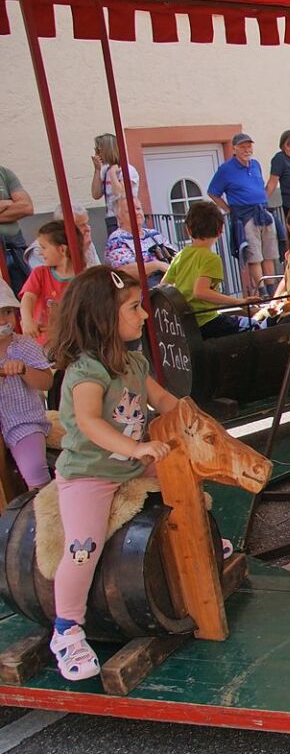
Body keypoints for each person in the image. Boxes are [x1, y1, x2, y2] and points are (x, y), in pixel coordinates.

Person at [47, 266, 179, 680]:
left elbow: (164, 399)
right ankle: (66, 628)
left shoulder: (134, 362)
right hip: (90, 473)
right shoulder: (87, 371)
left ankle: (196, 539)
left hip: (130, 464)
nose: (143, 315)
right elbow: (90, 422)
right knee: (82, 547)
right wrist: (136, 447)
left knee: (184, 480)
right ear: (103, 316)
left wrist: (194, 421)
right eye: (135, 307)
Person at [161, 201, 262, 339]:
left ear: (188, 230)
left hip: (188, 323)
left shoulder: (181, 255)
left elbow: (163, 285)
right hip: (207, 321)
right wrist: (238, 302)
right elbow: (200, 292)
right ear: (220, 231)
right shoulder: (211, 258)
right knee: (256, 325)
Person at [207, 133, 277, 298]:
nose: (247, 150)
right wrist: (228, 209)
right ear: (235, 148)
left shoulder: (255, 165)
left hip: (263, 213)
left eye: (249, 146)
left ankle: (272, 290)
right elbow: (213, 192)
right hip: (245, 216)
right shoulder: (226, 169)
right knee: (254, 255)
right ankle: (262, 292)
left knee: (269, 253)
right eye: (243, 147)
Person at [0, 281, 53, 490]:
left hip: (23, 421)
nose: (3, 319)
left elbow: (47, 381)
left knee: (34, 467)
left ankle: (41, 504)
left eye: (7, 312)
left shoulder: (25, 345)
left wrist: (24, 371)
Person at [20, 220, 78, 347]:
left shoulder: (82, 278)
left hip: (70, 342)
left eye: (44, 247)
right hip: (41, 343)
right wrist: (27, 319)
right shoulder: (40, 273)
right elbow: (28, 297)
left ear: (62, 249)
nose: (40, 252)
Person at [104, 196, 174, 287]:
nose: (136, 212)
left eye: (138, 208)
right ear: (119, 217)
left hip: (168, 284)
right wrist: (157, 265)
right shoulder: (117, 239)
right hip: (143, 289)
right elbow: (125, 271)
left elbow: (174, 256)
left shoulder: (154, 234)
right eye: (129, 211)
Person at [90, 134, 140, 237]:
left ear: (107, 150)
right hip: (112, 218)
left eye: (98, 150)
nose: (97, 154)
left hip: (128, 217)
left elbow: (120, 194)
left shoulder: (127, 170)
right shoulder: (105, 171)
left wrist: (113, 174)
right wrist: (97, 170)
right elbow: (96, 194)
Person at [26, 203, 101, 271]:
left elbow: (97, 271)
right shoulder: (41, 249)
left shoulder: (84, 239)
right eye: (82, 225)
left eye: (87, 223)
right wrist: (81, 251)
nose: (88, 228)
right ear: (64, 227)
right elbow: (60, 278)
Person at [0, 165, 34, 294]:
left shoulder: (4, 173)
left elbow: (27, 207)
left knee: (23, 298)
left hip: (13, 251)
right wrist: (8, 203)